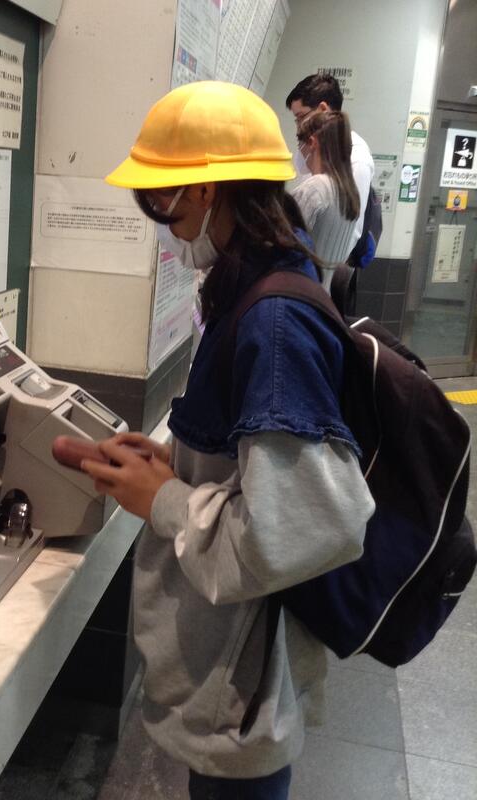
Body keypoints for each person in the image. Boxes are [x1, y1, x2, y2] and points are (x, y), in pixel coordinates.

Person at [84, 81, 374, 800]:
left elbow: (290, 531)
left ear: (207, 189)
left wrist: (165, 499)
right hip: (232, 672)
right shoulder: (255, 283)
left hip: (243, 684)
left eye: (162, 199)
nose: (163, 220)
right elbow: (254, 465)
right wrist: (174, 466)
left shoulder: (273, 323)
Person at [285, 74, 374, 251]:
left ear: (323, 109)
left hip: (321, 261)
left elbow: (350, 234)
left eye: (300, 117)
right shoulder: (321, 148)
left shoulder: (357, 159)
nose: (298, 126)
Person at [291, 110, 360, 290]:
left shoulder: (315, 188)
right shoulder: (349, 192)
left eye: (300, 143)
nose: (300, 150)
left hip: (300, 292)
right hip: (323, 296)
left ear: (312, 142)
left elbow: (285, 247)